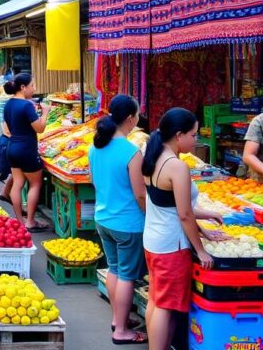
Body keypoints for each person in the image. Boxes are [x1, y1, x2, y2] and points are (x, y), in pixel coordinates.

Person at [142, 107, 223, 350]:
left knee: (156, 299)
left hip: (154, 240)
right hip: (171, 246)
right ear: (179, 135)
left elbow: (170, 204)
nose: (195, 139)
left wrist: (204, 228)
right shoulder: (176, 166)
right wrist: (201, 250)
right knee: (165, 306)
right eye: (193, 134)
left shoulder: (152, 155)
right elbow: (184, 213)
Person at [89, 95, 147, 345]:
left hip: (103, 218)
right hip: (128, 223)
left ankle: (118, 318)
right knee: (126, 275)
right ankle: (121, 330)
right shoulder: (131, 152)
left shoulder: (95, 147)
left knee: (114, 269)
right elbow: (140, 194)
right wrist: (150, 215)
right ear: (130, 118)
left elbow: (94, 182)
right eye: (137, 115)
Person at [2, 73, 51, 231]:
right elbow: (40, 128)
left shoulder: (9, 104)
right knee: (35, 184)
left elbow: (10, 127)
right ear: (23, 87)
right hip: (27, 149)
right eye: (32, 85)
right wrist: (45, 112)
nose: (34, 89)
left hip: (12, 147)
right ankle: (30, 221)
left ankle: (20, 221)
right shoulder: (26, 106)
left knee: (17, 184)